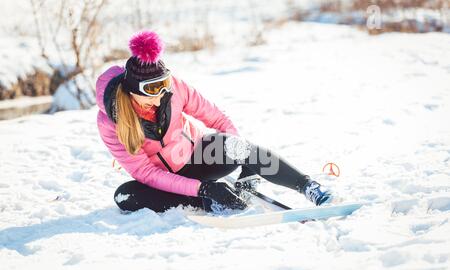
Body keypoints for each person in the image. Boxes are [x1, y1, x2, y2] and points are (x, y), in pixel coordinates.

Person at [96, 30, 333, 214]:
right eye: (151, 89)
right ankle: (207, 200)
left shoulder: (174, 90)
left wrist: (245, 157)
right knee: (125, 196)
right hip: (167, 180)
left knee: (233, 145)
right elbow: (146, 173)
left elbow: (217, 118)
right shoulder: (111, 122)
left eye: (164, 83)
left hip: (201, 157)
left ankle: (307, 187)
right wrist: (203, 189)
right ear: (132, 90)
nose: (161, 95)